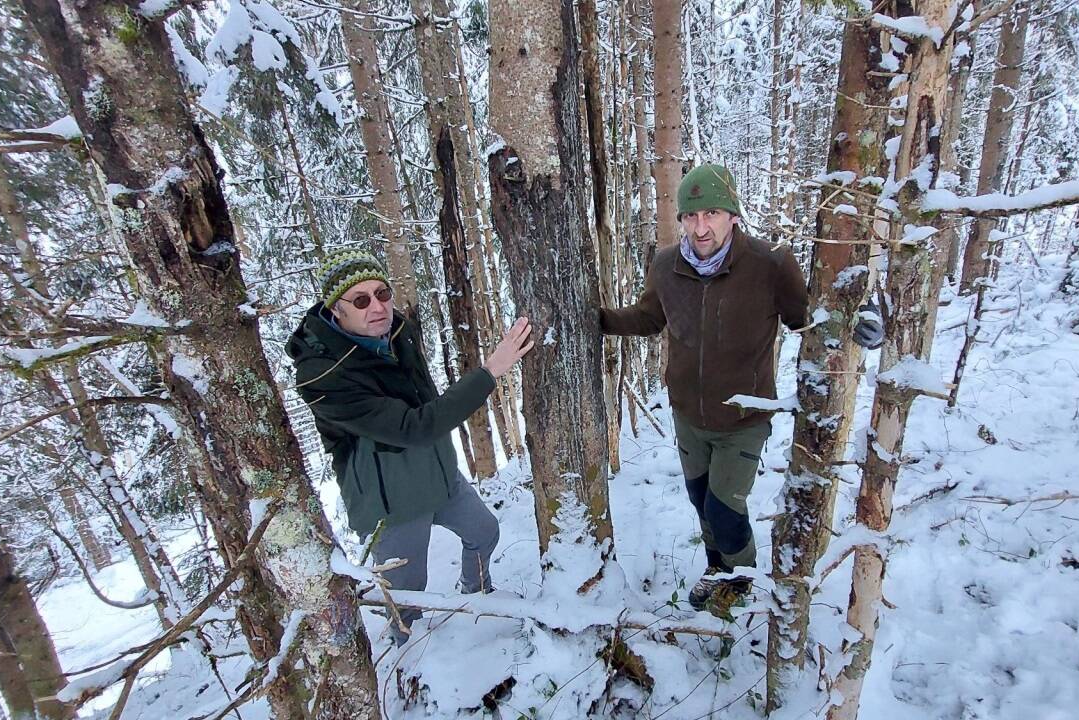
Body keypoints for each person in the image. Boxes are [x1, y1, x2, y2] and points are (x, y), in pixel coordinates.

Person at [600, 164, 883, 614]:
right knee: (700, 501)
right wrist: (595, 320)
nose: (700, 226)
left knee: (724, 510)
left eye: (711, 213)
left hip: (743, 418)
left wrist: (858, 320)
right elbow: (650, 318)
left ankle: (741, 581)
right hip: (688, 415)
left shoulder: (770, 262)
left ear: (732, 215)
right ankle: (717, 568)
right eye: (691, 216)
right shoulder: (667, 266)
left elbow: (807, 317)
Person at [286, 248, 533, 644]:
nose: (378, 307)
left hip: (438, 474)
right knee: (406, 594)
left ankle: (478, 598)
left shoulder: (398, 331)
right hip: (391, 503)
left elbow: (425, 401)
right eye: (361, 300)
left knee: (485, 533)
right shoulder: (322, 374)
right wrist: (491, 370)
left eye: (382, 293)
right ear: (336, 311)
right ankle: (411, 656)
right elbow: (414, 426)